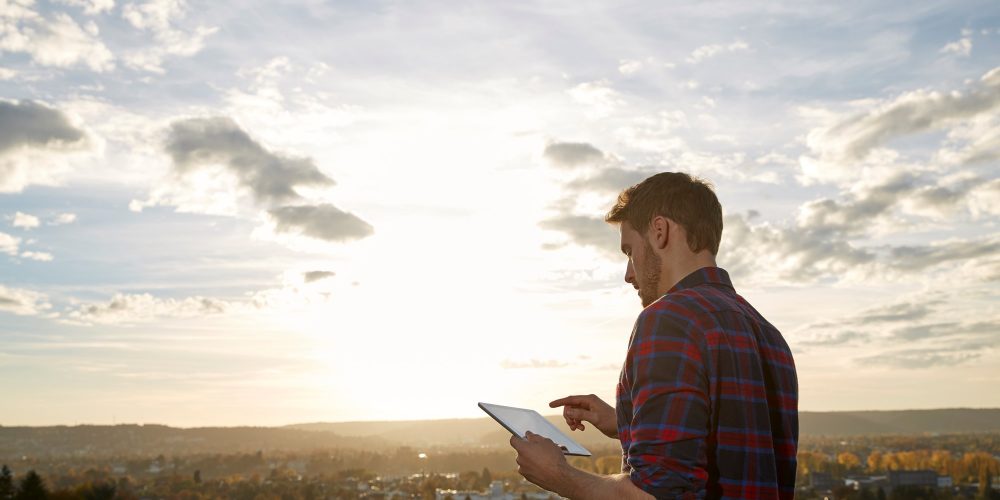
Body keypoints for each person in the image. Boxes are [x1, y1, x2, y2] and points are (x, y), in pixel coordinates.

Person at [510, 172, 798, 499]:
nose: (628, 273)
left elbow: (655, 495)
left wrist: (559, 475)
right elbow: (732, 450)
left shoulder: (670, 319)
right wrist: (626, 423)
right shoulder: (769, 335)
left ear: (659, 231)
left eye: (630, 251)